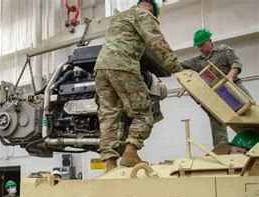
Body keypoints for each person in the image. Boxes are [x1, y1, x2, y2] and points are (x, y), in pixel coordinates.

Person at [94, 0, 183, 171]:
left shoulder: (118, 17)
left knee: (108, 117)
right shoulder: (144, 14)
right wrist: (176, 68)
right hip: (123, 66)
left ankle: (110, 163)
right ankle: (130, 153)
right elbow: (157, 43)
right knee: (143, 113)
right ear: (150, 8)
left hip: (100, 69)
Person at [181, 28, 253, 147]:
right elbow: (179, 64)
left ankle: (253, 143)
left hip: (234, 87)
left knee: (249, 112)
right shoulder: (198, 60)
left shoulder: (224, 50)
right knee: (216, 117)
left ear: (210, 41)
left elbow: (236, 63)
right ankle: (221, 147)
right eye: (198, 46)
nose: (200, 48)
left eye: (202, 45)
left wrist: (230, 77)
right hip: (218, 92)